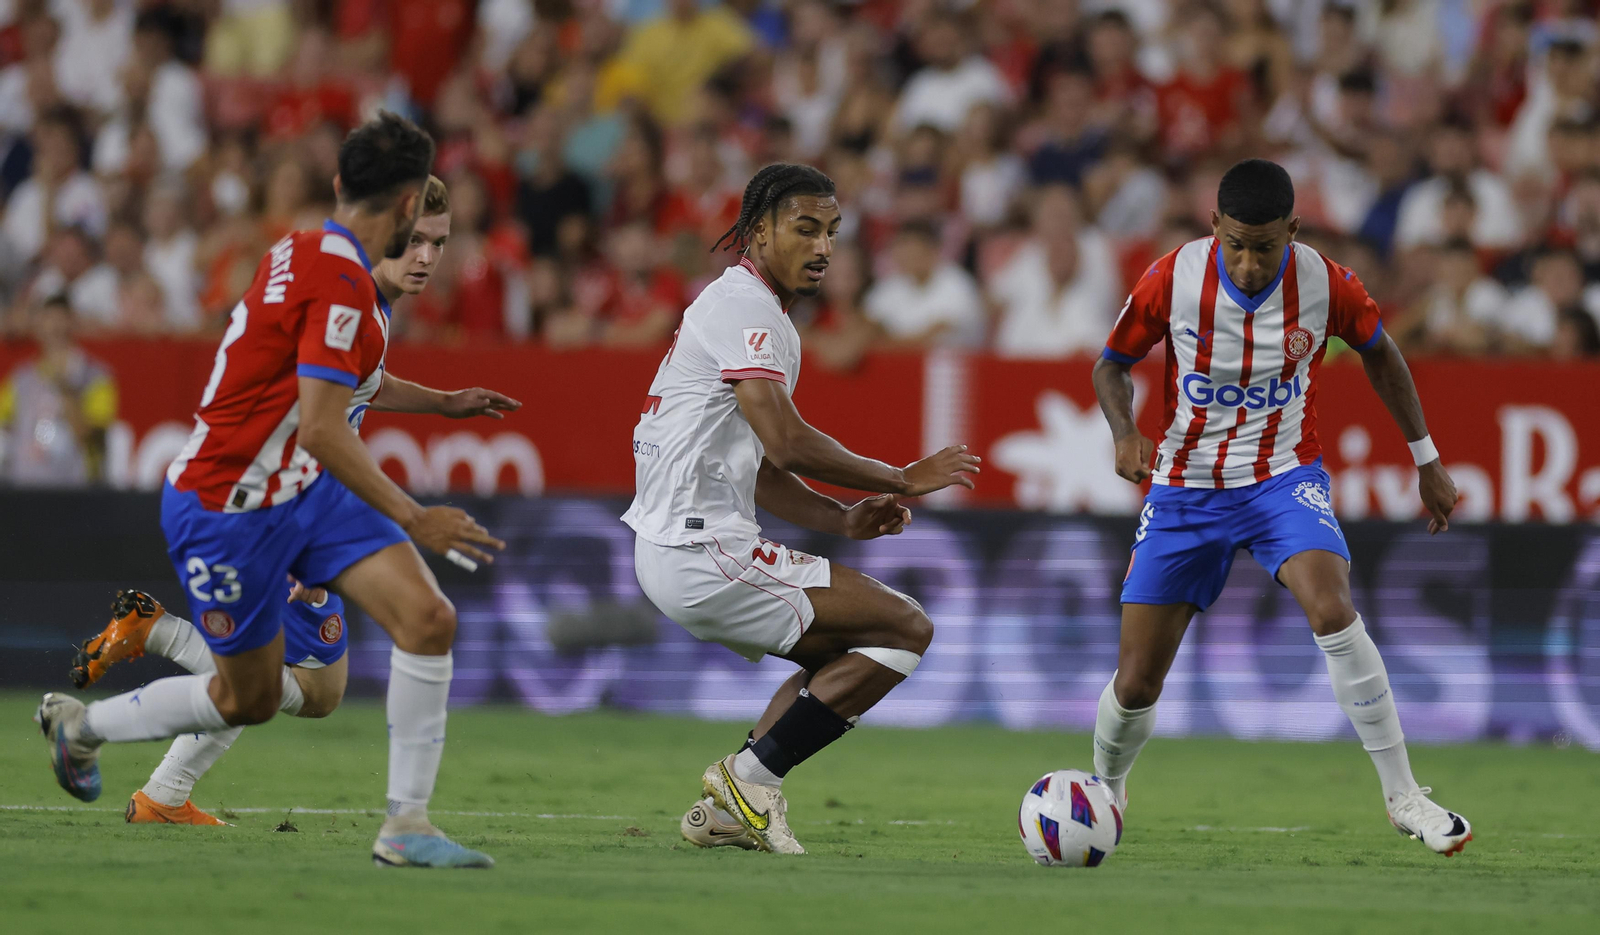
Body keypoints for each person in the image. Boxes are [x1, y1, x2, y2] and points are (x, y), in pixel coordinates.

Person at [34, 114, 509, 869]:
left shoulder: (307, 248)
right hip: (228, 504)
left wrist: (443, 401)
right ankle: (86, 729)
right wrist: (415, 516)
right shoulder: (346, 282)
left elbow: (332, 384)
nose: (426, 252)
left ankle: (405, 825)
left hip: (297, 489)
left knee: (425, 618)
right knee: (249, 697)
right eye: (423, 230)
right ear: (410, 202)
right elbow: (323, 427)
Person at [1090, 159, 1473, 857]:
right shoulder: (1172, 277)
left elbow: (1383, 355)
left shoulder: (1327, 283)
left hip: (1282, 477)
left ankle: (1404, 794)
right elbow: (1111, 363)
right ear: (1215, 226)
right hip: (1185, 486)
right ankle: (1105, 790)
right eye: (1235, 243)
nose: (1249, 261)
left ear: (1292, 231)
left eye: (1265, 246)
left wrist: (1428, 460)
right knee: (1139, 677)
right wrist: (1125, 432)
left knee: (1332, 606)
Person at [622, 164, 980, 854]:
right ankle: (749, 778)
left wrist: (844, 520)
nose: (823, 247)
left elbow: (760, 467)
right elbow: (786, 442)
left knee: (847, 652)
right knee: (904, 628)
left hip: (686, 545)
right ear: (759, 232)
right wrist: (901, 478)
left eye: (833, 233)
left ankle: (737, 802)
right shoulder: (745, 309)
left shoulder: (758, 315)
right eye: (805, 228)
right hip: (701, 549)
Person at [0, 296, 117, 486]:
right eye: (49, 320)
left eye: (61, 320)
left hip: (73, 490)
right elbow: (5, 426)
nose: (55, 328)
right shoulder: (20, 379)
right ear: (38, 326)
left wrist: (63, 387)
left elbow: (87, 434)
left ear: (72, 323)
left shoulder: (96, 378)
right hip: (24, 488)